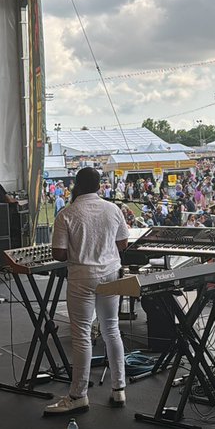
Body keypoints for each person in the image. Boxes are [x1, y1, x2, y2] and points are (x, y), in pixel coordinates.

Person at [44, 167, 129, 416]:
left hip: (82, 276)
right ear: (99, 185)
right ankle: (118, 389)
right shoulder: (113, 209)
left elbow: (58, 254)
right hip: (111, 273)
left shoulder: (66, 213)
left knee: (82, 335)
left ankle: (78, 395)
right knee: (111, 329)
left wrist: (81, 248)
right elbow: (123, 244)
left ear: (76, 186)